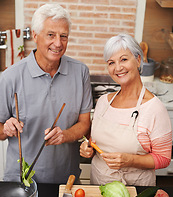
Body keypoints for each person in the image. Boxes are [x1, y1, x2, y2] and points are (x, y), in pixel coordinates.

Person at [0, 3, 93, 184]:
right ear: (35, 35)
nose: (58, 43)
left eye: (63, 36)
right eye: (51, 35)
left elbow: (84, 124)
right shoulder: (10, 77)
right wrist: (5, 128)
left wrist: (64, 135)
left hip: (67, 180)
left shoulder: (80, 72)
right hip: (19, 181)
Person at [80, 33, 172, 186]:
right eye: (111, 62)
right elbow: (94, 139)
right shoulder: (103, 102)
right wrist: (88, 147)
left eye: (123, 59)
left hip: (135, 192)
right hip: (98, 187)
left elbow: (163, 158)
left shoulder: (154, 108)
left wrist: (130, 160)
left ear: (137, 60)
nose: (118, 68)